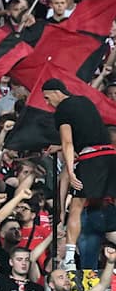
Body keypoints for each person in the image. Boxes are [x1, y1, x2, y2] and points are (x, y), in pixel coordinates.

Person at [43, 78, 116, 270]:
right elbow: (88, 136)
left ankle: (68, 258)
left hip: (92, 160)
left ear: (56, 92)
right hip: (110, 156)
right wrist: (57, 147)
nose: (47, 103)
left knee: (76, 206)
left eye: (47, 97)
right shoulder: (85, 101)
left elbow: (69, 143)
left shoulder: (62, 110)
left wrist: (70, 170)